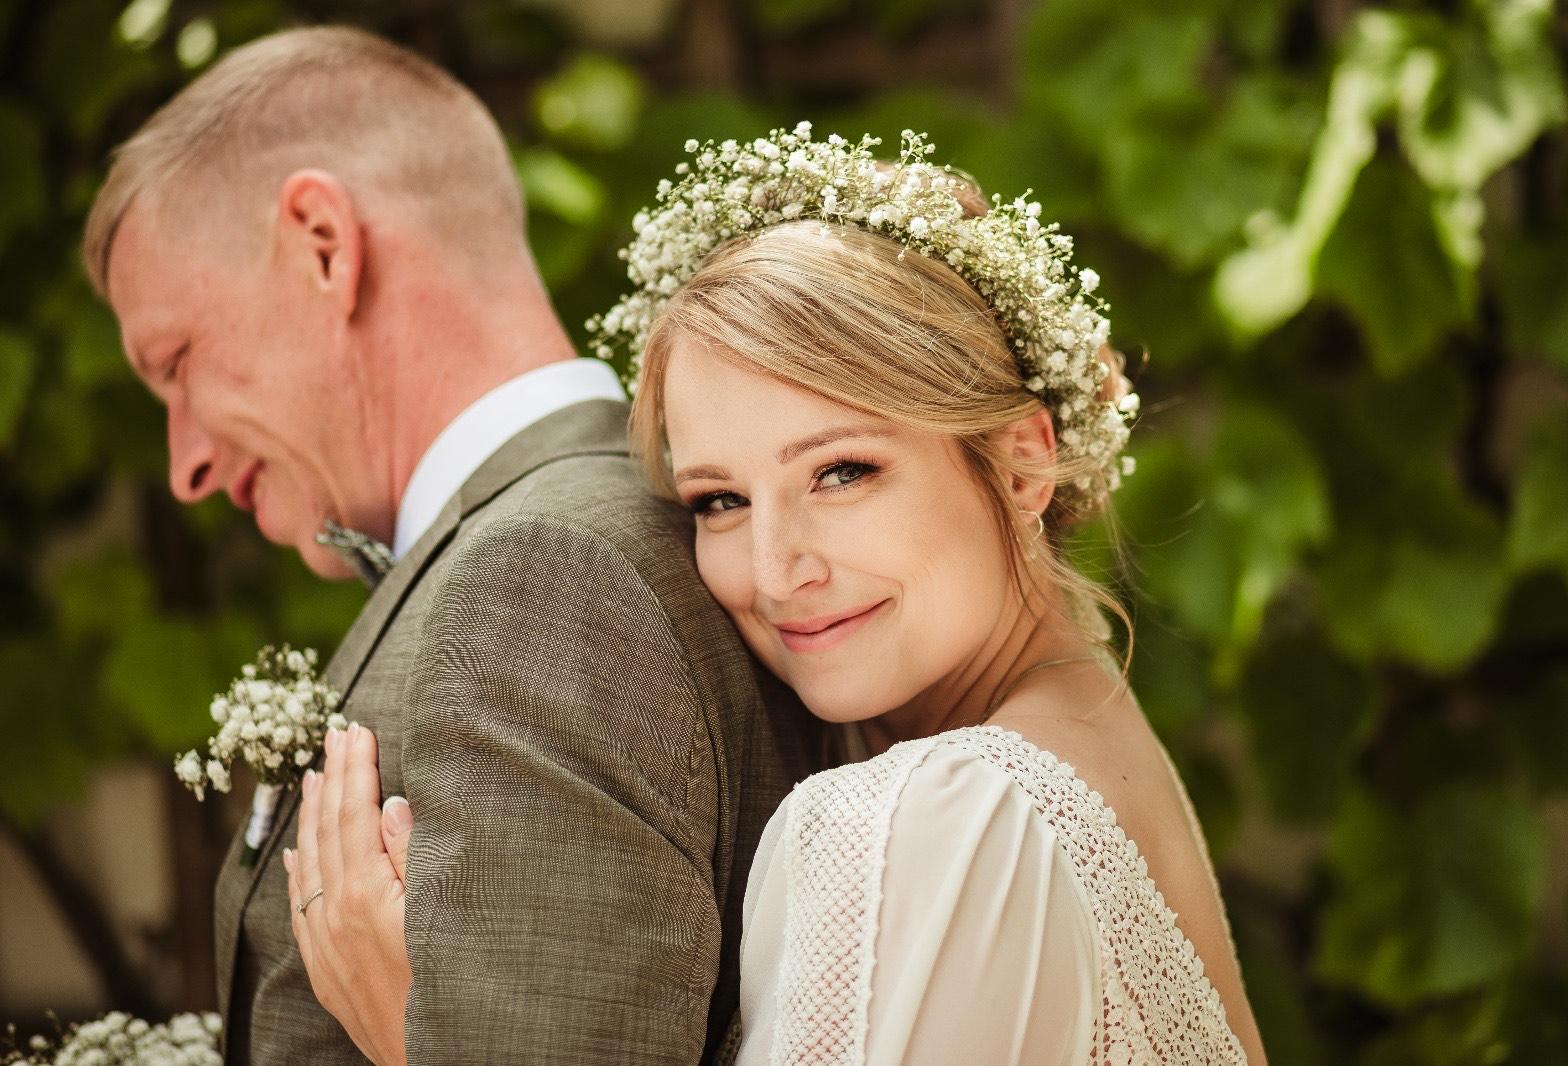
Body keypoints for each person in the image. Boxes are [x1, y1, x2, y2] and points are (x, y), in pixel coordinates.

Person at [289, 126, 1268, 1063]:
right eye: (718, 499)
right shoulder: (1090, 734)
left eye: (841, 472)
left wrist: (424, 1037)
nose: (772, 570)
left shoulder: (936, 819)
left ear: (1021, 463)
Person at [84, 27, 827, 1065]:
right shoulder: (573, 534)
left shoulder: (544, 580)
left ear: (323, 245)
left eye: (177, 363)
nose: (185, 465)